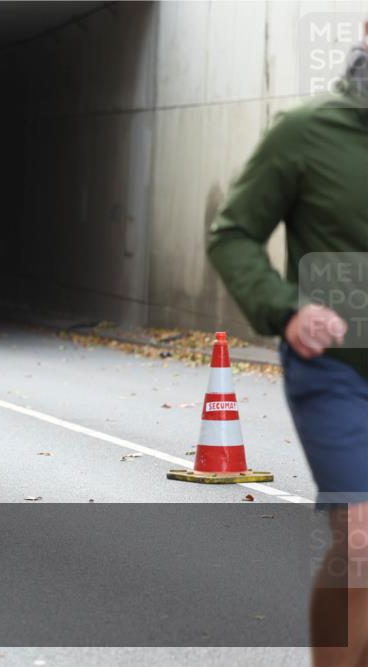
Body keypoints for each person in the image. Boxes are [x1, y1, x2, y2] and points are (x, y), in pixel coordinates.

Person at [207, 44, 368, 666]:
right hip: (336, 367)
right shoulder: (307, 132)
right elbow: (234, 232)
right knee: (360, 539)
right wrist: (286, 307)